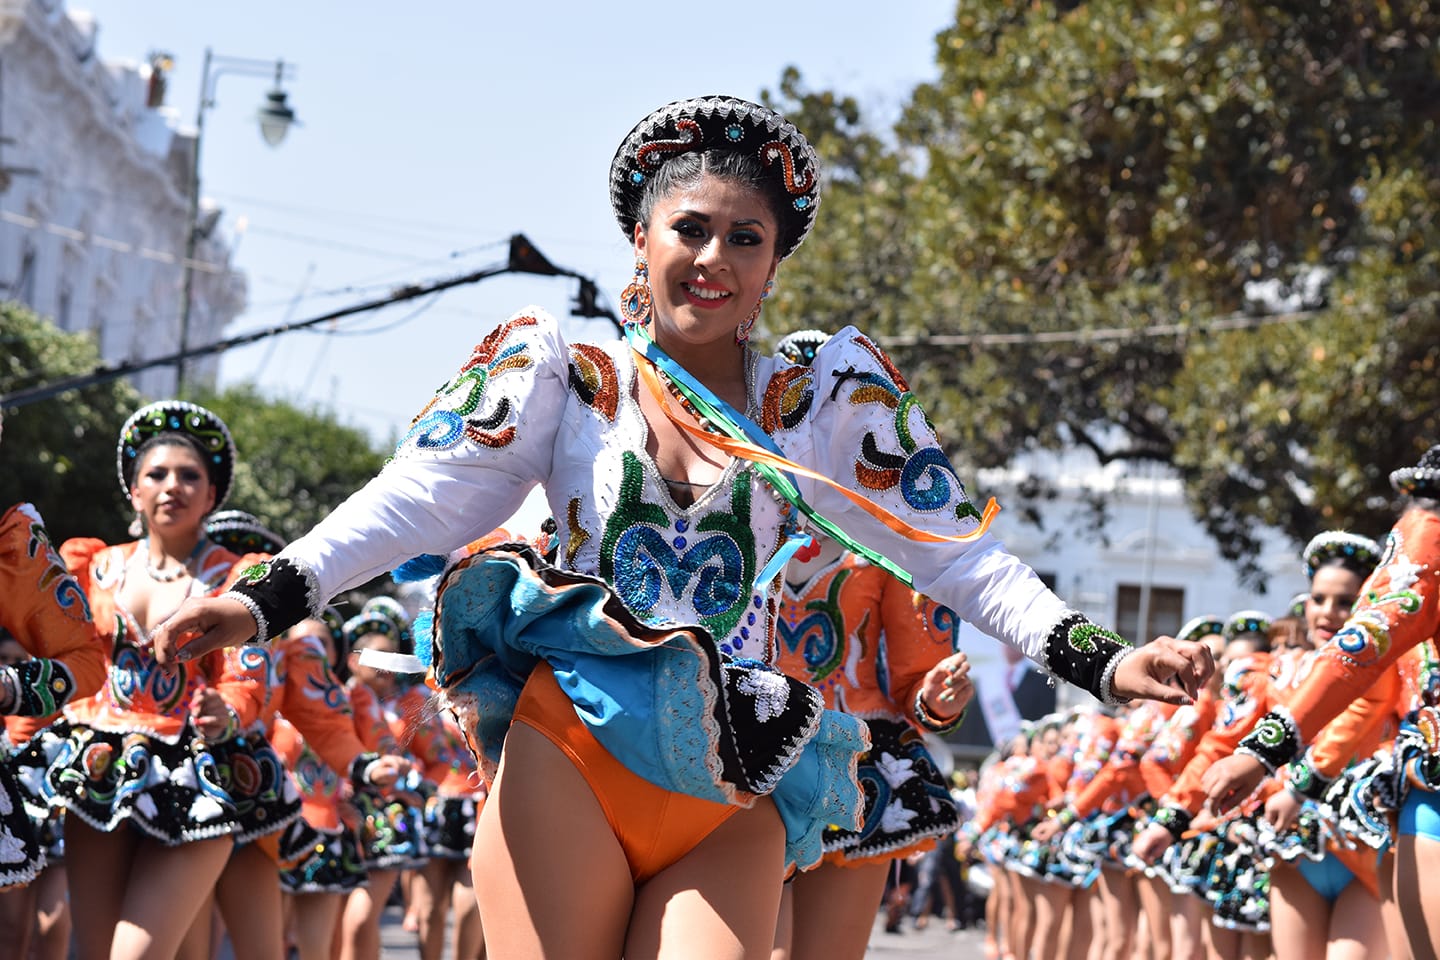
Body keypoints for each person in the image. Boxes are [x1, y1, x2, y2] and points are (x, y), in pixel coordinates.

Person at [153, 96, 1212, 959]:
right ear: (640, 240)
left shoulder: (825, 401)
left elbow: (959, 555)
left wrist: (1106, 663)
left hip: (738, 765)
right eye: (690, 229)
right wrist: (260, 597)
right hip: (570, 743)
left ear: (773, 266)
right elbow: (416, 501)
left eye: (744, 238)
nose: (713, 258)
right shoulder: (566, 379)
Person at [19, 400, 302, 960]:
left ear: (212, 493)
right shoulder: (89, 567)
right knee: (95, 950)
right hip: (98, 764)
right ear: (134, 490)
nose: (173, 486)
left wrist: (228, 707)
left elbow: (247, 673)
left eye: (190, 475)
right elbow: (61, 664)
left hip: (198, 771)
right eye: (157, 474)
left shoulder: (238, 575)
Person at [1204, 444, 1440, 956]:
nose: (1329, 612)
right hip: (1313, 835)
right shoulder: (1267, 671)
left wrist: (1276, 763)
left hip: (1356, 838)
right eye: (1319, 598)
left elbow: (1362, 696)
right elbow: (1215, 743)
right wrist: (1180, 814)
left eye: (1344, 600)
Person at [767, 511, 974, 959]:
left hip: (858, 769)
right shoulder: (730, 500)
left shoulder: (886, 530)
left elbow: (914, 684)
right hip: (753, 749)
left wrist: (938, 699)